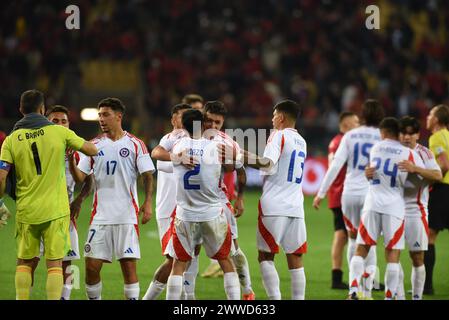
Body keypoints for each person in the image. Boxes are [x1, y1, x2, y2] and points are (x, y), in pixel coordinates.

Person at [0, 89, 98, 300]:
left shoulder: (11, 140)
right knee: (55, 264)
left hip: (27, 210)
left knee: (25, 262)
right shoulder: (59, 133)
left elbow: (1, 177)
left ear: (20, 109)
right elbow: (92, 150)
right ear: (42, 110)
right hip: (56, 210)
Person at [69, 97, 155, 300]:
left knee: (128, 267)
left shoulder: (136, 144)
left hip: (127, 215)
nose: (101, 119)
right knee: (91, 267)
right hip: (100, 217)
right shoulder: (92, 145)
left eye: (105, 114)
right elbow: (81, 178)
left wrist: (148, 202)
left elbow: (148, 175)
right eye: (99, 115)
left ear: (119, 116)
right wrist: (73, 160)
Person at [232, 100, 307, 300]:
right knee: (295, 257)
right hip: (296, 207)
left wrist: (239, 154)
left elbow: (268, 165)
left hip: (274, 205)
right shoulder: (301, 141)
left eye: (274, 115)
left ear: (281, 117)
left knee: (266, 256)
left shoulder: (278, 136)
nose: (272, 119)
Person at [166, 108, 240, 300]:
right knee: (225, 260)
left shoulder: (177, 147)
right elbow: (232, 168)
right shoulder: (215, 147)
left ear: (184, 125)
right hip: (212, 213)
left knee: (179, 264)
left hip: (185, 214)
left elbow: (159, 153)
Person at [313, 99, 384, 299]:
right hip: (371, 193)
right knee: (369, 242)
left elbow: (335, 166)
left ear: (362, 115)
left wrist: (321, 193)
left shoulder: (350, 136)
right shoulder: (382, 137)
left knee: (353, 238)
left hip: (350, 193)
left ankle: (353, 290)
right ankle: (366, 291)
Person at [348, 117, 425, 300]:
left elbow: (372, 172)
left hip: (372, 203)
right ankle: (389, 297)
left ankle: (353, 290)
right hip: (394, 206)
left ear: (383, 132)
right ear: (398, 133)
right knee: (392, 254)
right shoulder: (407, 152)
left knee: (361, 249)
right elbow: (422, 175)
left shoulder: (375, 148)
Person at [27, 105, 94, 300]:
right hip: (38, 213)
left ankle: (64, 298)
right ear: (46, 122)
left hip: (64, 215)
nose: (60, 124)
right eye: (55, 121)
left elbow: (88, 179)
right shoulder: (37, 146)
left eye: (63, 121)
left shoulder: (77, 148)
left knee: (67, 263)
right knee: (29, 261)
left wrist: (79, 201)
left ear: (69, 124)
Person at [199, 100, 255, 299]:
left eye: (218, 123)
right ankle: (186, 298)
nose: (213, 126)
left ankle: (247, 289)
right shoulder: (187, 137)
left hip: (219, 203)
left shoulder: (228, 143)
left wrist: (240, 198)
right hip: (191, 204)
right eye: (209, 121)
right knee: (185, 255)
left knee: (233, 250)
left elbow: (239, 172)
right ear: (202, 117)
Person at [142, 103, 192, 300]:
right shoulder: (171, 138)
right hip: (169, 208)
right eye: (182, 116)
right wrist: (179, 159)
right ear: (173, 119)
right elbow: (156, 153)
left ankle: (186, 298)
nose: (185, 120)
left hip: (187, 207)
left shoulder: (194, 139)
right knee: (173, 259)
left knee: (185, 258)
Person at [394, 116, 441, 300]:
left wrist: (416, 169)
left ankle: (417, 297)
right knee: (393, 256)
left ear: (417, 135)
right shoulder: (392, 151)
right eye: (403, 133)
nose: (406, 137)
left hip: (416, 211)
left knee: (417, 257)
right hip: (393, 211)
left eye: (411, 133)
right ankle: (398, 296)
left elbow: (437, 174)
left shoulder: (424, 153)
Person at [325, 112, 359, 289]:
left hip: (338, 192)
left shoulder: (335, 141)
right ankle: (339, 278)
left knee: (344, 234)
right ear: (345, 125)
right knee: (343, 234)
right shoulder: (344, 141)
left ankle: (341, 278)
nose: (358, 125)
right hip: (343, 192)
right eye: (355, 122)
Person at [424, 104, 449, 295]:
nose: (427, 116)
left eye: (431, 114)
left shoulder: (436, 137)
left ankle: (427, 286)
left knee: (429, 236)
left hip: (442, 191)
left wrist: (430, 180)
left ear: (437, 120)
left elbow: (444, 164)